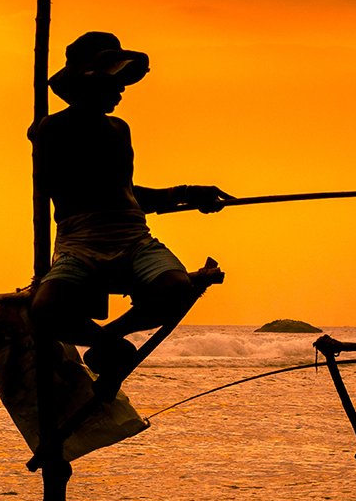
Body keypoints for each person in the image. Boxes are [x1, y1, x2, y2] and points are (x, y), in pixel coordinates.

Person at [28, 31, 232, 376]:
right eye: (113, 83)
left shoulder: (119, 129)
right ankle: (108, 345)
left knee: (177, 289)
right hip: (80, 243)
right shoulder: (51, 130)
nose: (120, 91)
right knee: (45, 309)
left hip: (133, 239)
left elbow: (123, 193)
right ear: (88, 83)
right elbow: (70, 192)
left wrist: (188, 193)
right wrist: (43, 137)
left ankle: (107, 338)